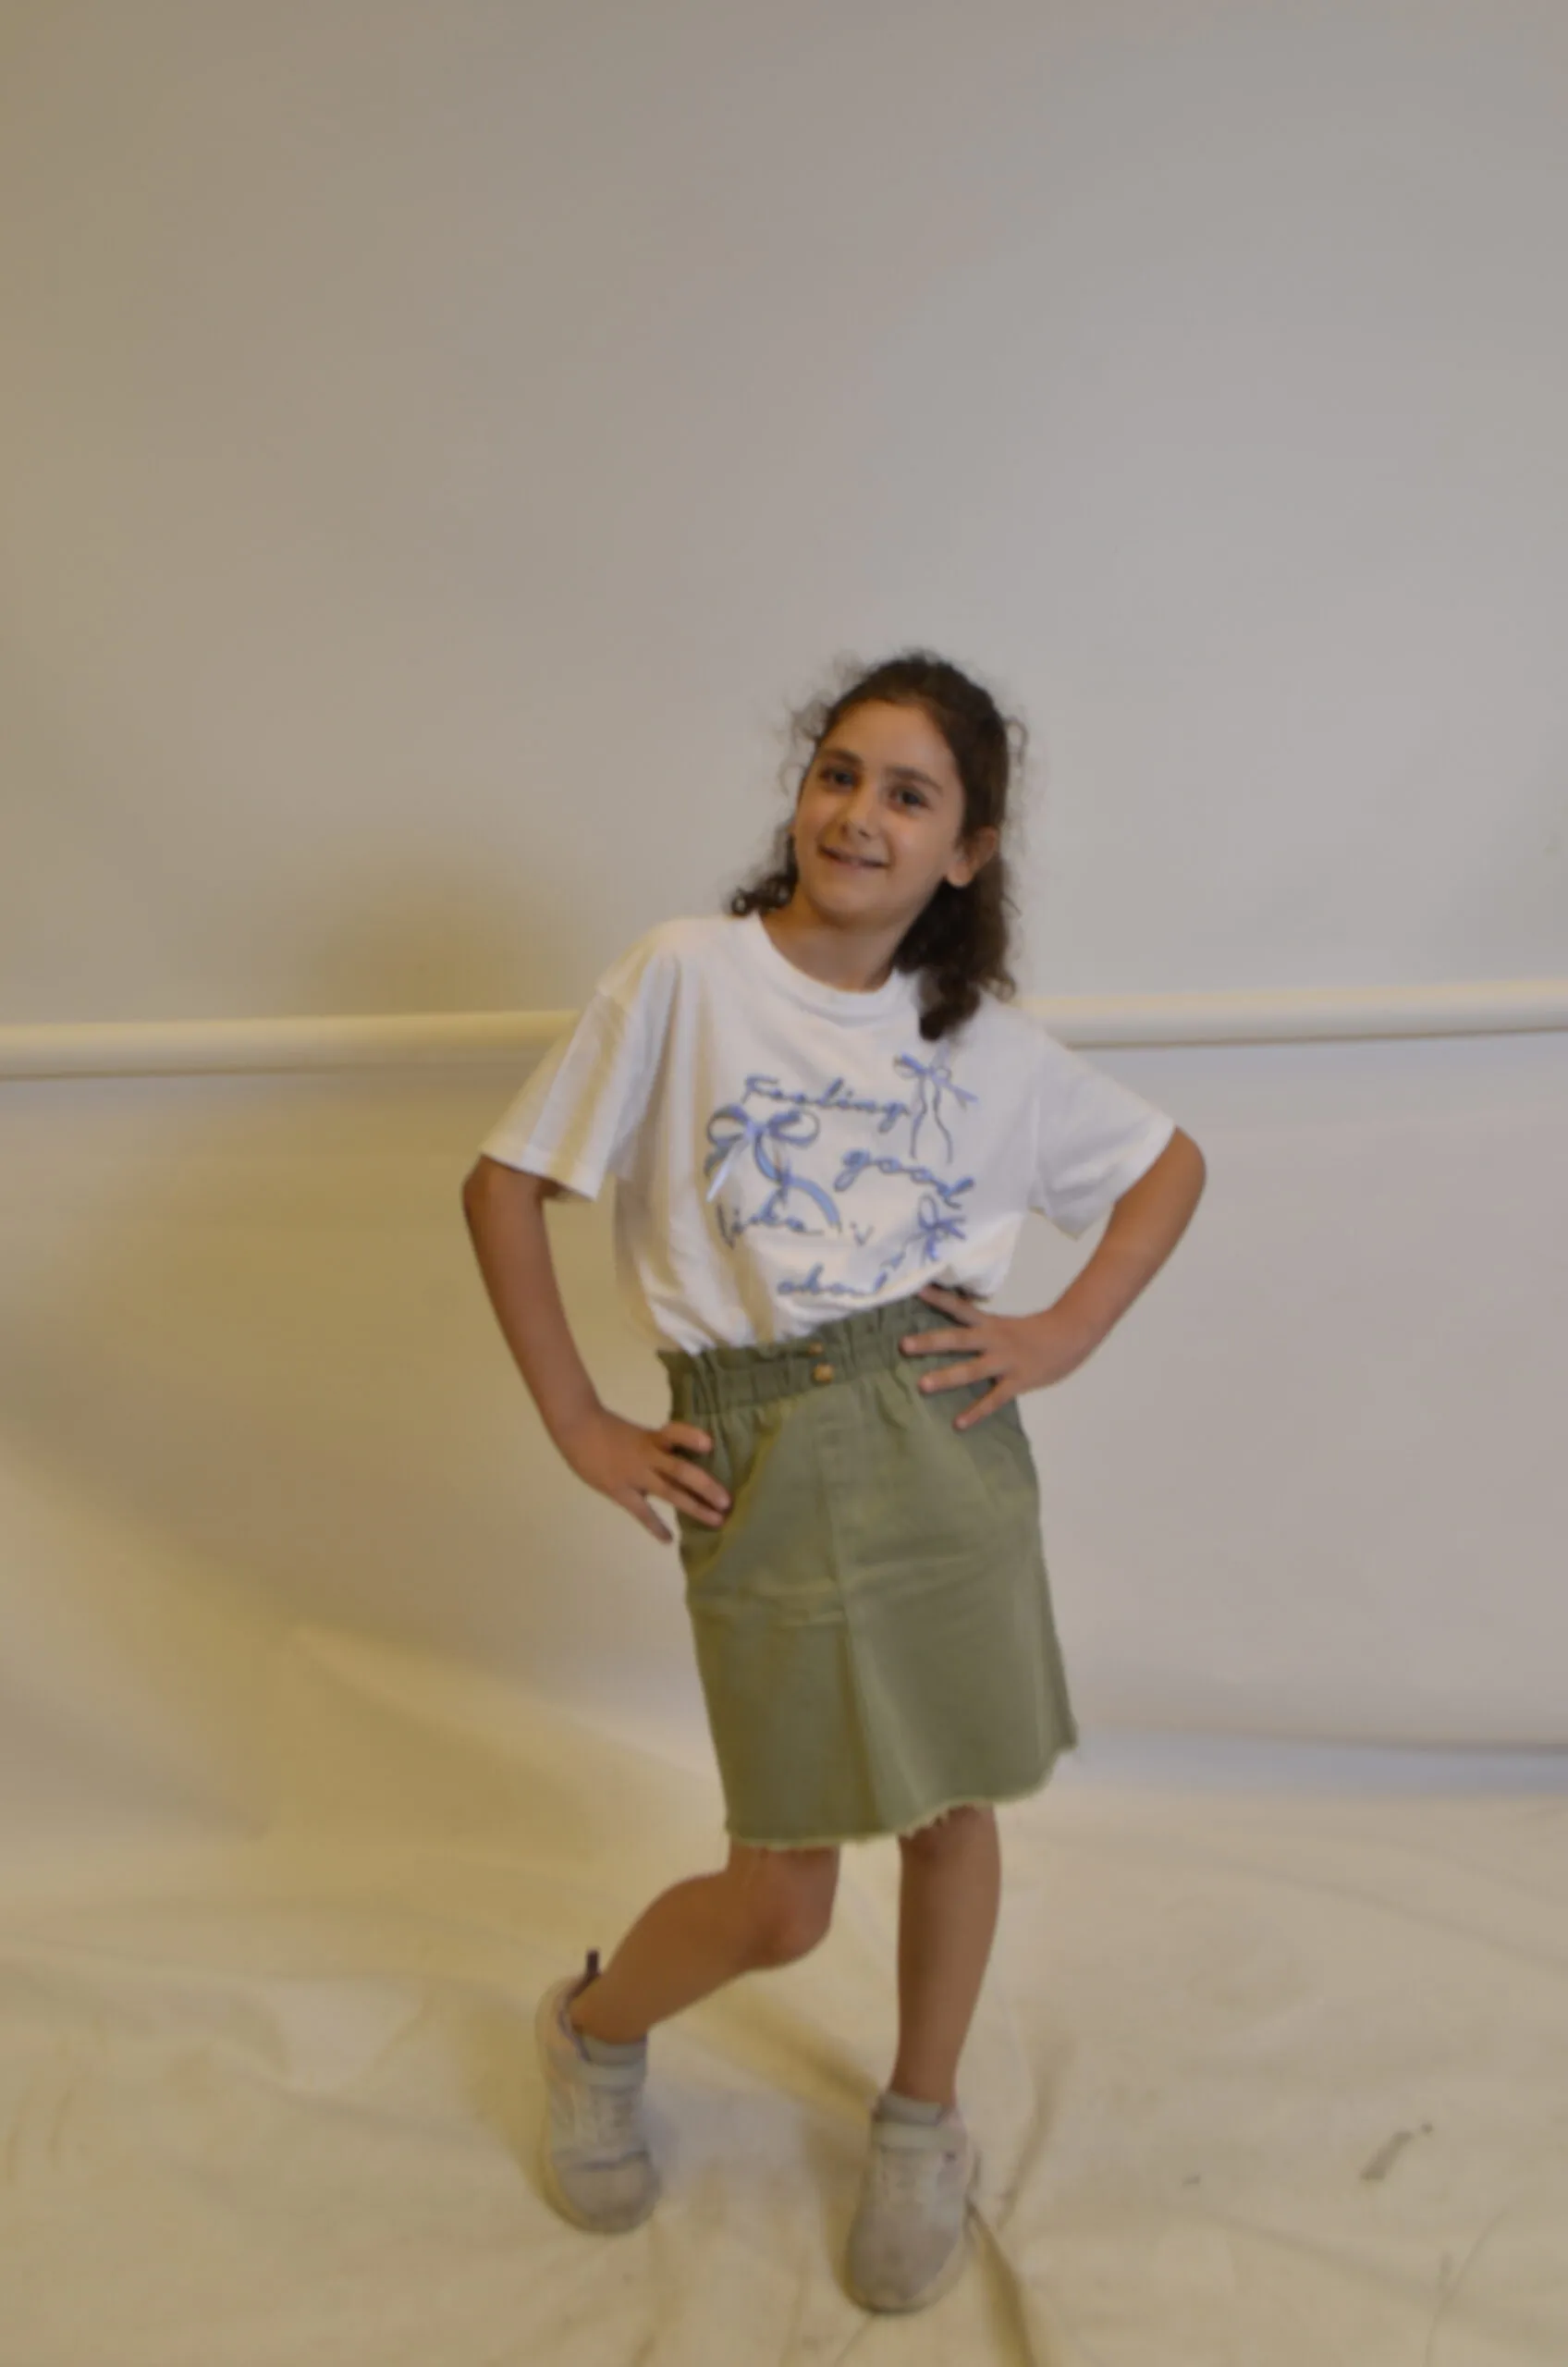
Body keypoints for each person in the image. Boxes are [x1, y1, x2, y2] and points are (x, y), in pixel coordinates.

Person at [461, 648, 1206, 2312]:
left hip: (939, 1435)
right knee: (783, 1897)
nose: (860, 813)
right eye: (839, 774)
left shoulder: (984, 1044)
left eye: (910, 795)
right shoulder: (686, 978)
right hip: (761, 1444)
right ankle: (592, 2029)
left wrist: (1062, 1329)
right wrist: (581, 1420)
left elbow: (1167, 1164)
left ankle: (921, 2120)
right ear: (803, 795)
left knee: (954, 1812)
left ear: (968, 851)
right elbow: (504, 1189)